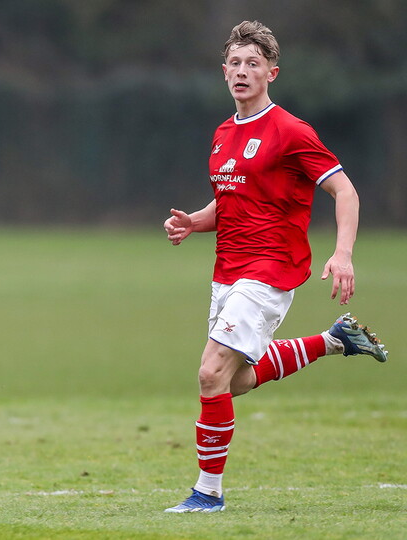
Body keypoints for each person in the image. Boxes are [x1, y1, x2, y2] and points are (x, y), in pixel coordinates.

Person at [162, 21, 388, 513]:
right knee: (234, 380)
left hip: (270, 268)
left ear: (271, 73)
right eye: (235, 64)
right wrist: (194, 222)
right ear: (224, 72)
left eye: (253, 64)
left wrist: (343, 252)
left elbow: (344, 189)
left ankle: (207, 494)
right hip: (228, 270)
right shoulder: (224, 134)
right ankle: (333, 341)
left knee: (209, 373)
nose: (243, 72)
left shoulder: (290, 131)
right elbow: (231, 200)